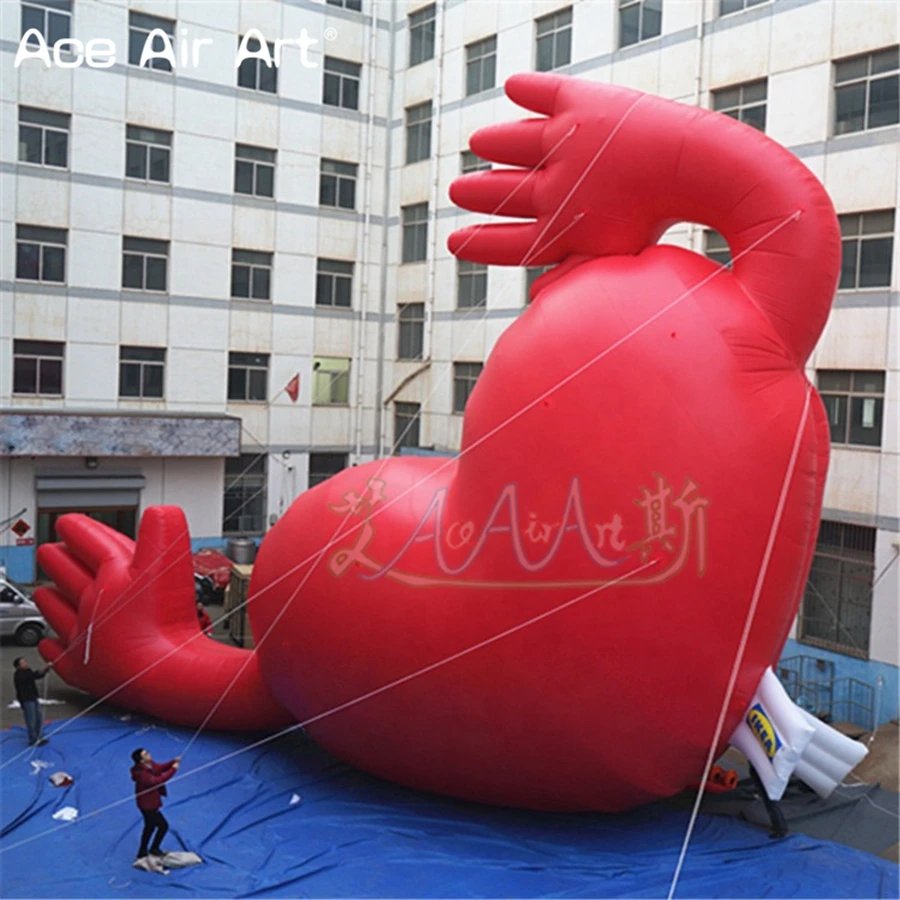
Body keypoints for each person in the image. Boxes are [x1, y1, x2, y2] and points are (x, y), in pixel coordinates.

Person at [130, 748, 181, 860]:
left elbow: (159, 768)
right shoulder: (142, 774)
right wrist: (173, 769)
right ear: (142, 761)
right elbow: (159, 780)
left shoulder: (149, 765)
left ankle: (144, 851)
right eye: (146, 754)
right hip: (147, 805)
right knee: (161, 826)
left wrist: (172, 762)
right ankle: (151, 849)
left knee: (150, 827)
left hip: (151, 802)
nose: (149, 754)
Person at [13, 657, 52, 746]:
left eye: (25, 662)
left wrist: (46, 670)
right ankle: (33, 740)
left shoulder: (28, 671)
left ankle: (39, 737)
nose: (25, 663)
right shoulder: (18, 675)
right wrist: (43, 669)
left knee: (38, 718)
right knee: (31, 721)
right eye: (23, 663)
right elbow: (30, 676)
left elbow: (36, 676)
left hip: (34, 698)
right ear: (18, 666)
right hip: (27, 700)